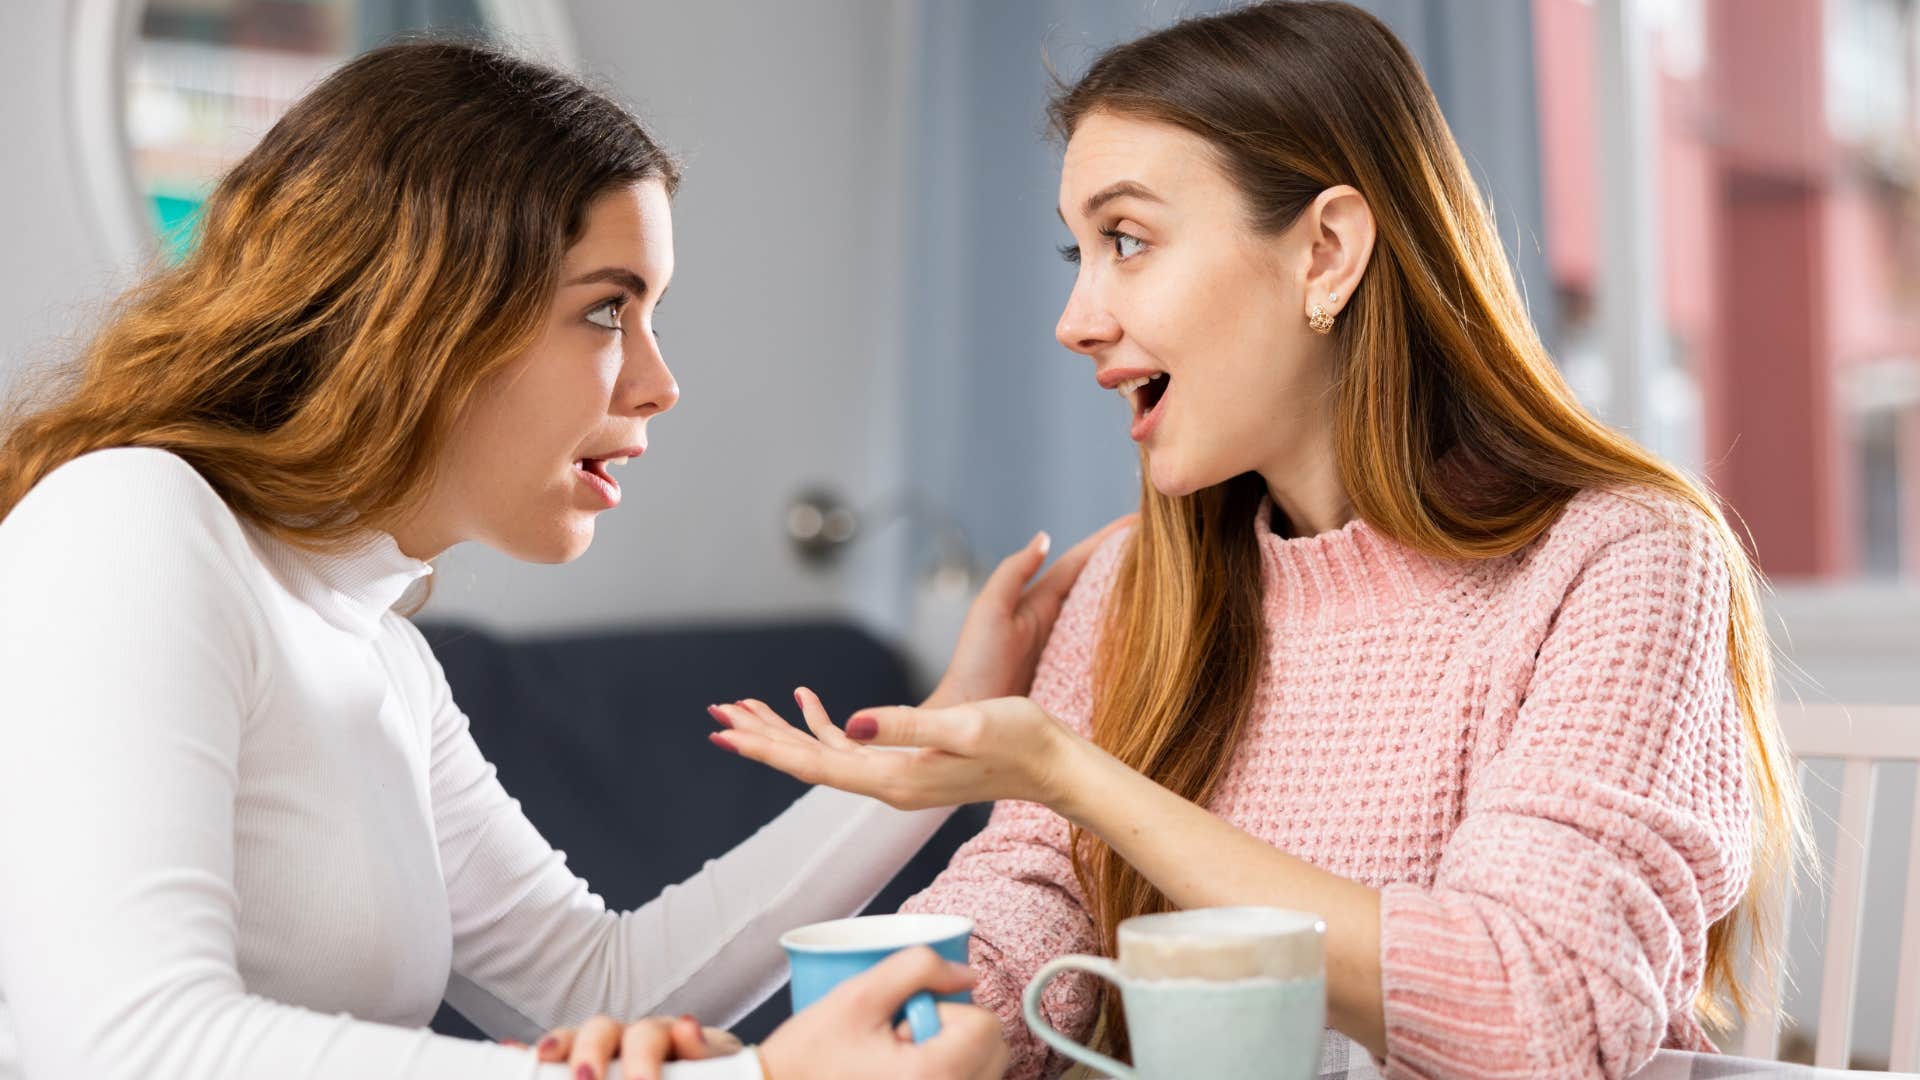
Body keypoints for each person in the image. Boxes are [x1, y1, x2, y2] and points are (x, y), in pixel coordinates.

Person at [707, 4, 1809, 1078]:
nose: (1076, 320)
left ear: (1325, 252)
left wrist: (1071, 772)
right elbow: (1035, 891)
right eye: (1078, 252)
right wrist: (856, 1041)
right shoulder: (1134, 583)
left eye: (1127, 240)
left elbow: (1540, 1015)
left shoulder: (1620, 561)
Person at [0, 39, 1118, 1080]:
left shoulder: (380, 654)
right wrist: (758, 1076)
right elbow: (122, 1044)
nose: (659, 384)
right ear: (426, 312)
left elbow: (602, 987)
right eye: (606, 311)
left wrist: (948, 727)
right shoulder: (130, 521)